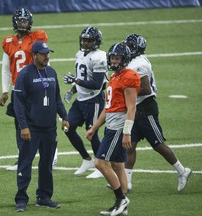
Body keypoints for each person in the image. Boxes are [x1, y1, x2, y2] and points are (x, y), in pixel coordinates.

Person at [122, 33, 192, 192]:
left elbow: (146, 89)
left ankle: (182, 171)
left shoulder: (139, 63)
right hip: (135, 108)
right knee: (129, 145)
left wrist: (125, 92)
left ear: (137, 49)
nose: (127, 48)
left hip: (146, 108)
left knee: (157, 144)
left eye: (130, 46)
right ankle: (127, 181)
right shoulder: (132, 61)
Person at [13, 41, 69, 212]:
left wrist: (64, 116)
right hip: (31, 128)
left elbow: (57, 97)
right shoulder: (25, 74)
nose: (47, 56)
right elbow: (18, 103)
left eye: (48, 53)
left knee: (46, 164)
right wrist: (23, 126)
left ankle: (44, 197)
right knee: (25, 163)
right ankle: (21, 199)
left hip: (50, 128)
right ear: (35, 55)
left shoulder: (51, 72)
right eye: (43, 54)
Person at [0, 8, 57, 170]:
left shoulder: (37, 39)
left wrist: (47, 83)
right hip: (18, 89)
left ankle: (52, 153)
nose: (23, 24)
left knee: (42, 121)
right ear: (14, 22)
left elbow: (46, 60)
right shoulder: (8, 42)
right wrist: (5, 90)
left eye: (25, 21)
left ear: (30, 23)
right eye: (20, 21)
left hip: (36, 85)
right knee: (20, 125)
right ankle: (23, 157)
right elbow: (6, 68)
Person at [85, 42, 140, 215]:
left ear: (125, 59)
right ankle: (122, 205)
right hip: (111, 124)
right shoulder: (115, 77)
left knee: (100, 162)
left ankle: (121, 200)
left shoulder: (129, 76)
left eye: (117, 58)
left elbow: (132, 108)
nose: (114, 61)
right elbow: (107, 108)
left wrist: (127, 132)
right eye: (112, 57)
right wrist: (94, 128)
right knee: (117, 165)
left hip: (118, 127)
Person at [63, 26, 108, 179]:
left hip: (94, 99)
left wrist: (75, 81)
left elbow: (97, 84)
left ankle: (100, 165)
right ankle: (86, 159)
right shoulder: (79, 54)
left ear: (96, 42)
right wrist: (73, 90)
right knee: (67, 127)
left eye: (89, 40)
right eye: (84, 40)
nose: (86, 43)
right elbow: (82, 76)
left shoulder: (100, 56)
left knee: (92, 133)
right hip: (81, 99)